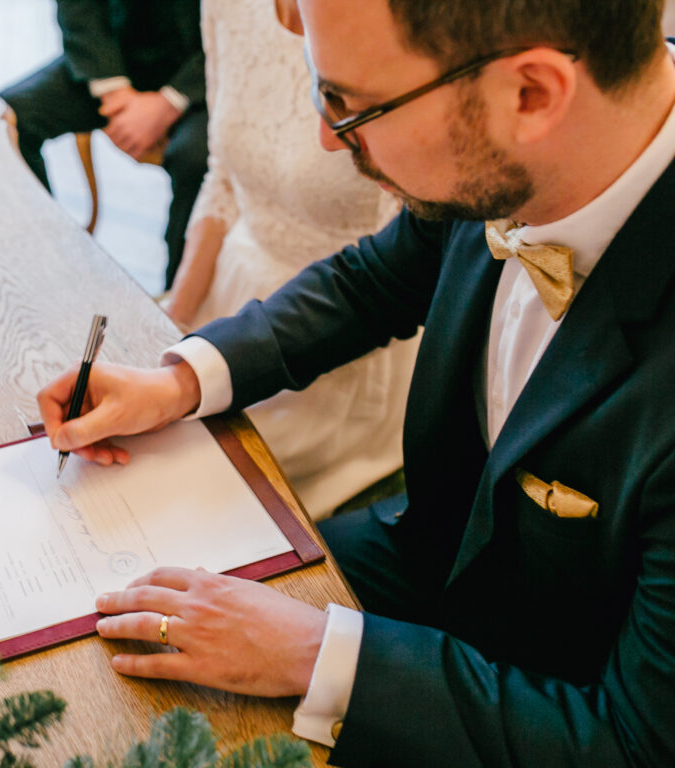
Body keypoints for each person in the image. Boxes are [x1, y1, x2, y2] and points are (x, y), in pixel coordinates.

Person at [36, 0, 675, 764]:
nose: (323, 138)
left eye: (348, 106)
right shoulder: (534, 144)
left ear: (530, 95)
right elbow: (378, 279)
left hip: (553, 698)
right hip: (427, 554)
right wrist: (178, 380)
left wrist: (316, 654)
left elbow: (635, 742)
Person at [164, 0, 418, 517]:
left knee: (196, 504)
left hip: (340, 344)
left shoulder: (394, 21)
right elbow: (223, 175)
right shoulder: (226, 7)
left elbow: (389, 275)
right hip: (232, 299)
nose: (331, 133)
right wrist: (174, 318)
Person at [0, 0, 208, 290]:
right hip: (116, 55)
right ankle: (47, 271)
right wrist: (114, 92)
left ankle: (181, 302)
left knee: (196, 159)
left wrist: (168, 103)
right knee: (4, 122)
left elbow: (246, 29)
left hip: (207, 73)